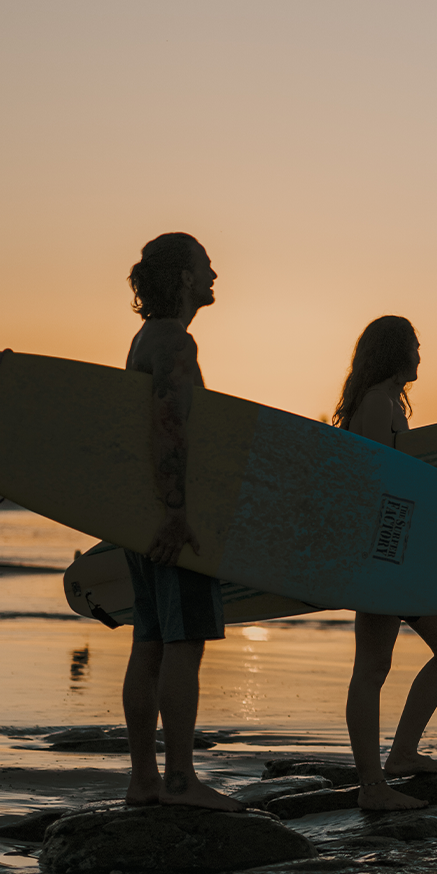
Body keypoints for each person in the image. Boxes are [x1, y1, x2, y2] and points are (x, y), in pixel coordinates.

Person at [120, 232, 242, 812]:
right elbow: (168, 426)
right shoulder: (173, 342)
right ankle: (179, 781)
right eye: (207, 266)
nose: (215, 274)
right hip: (173, 518)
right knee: (182, 641)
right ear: (187, 277)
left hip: (137, 514)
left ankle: (144, 780)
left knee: (149, 642)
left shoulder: (147, 337)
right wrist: (177, 512)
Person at [332, 316, 437, 811]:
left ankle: (400, 757)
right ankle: (374, 785)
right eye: (415, 347)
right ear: (395, 351)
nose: (420, 356)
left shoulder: (384, 401)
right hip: (383, 556)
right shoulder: (376, 402)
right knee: (377, 667)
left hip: (393, 555)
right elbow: (375, 480)